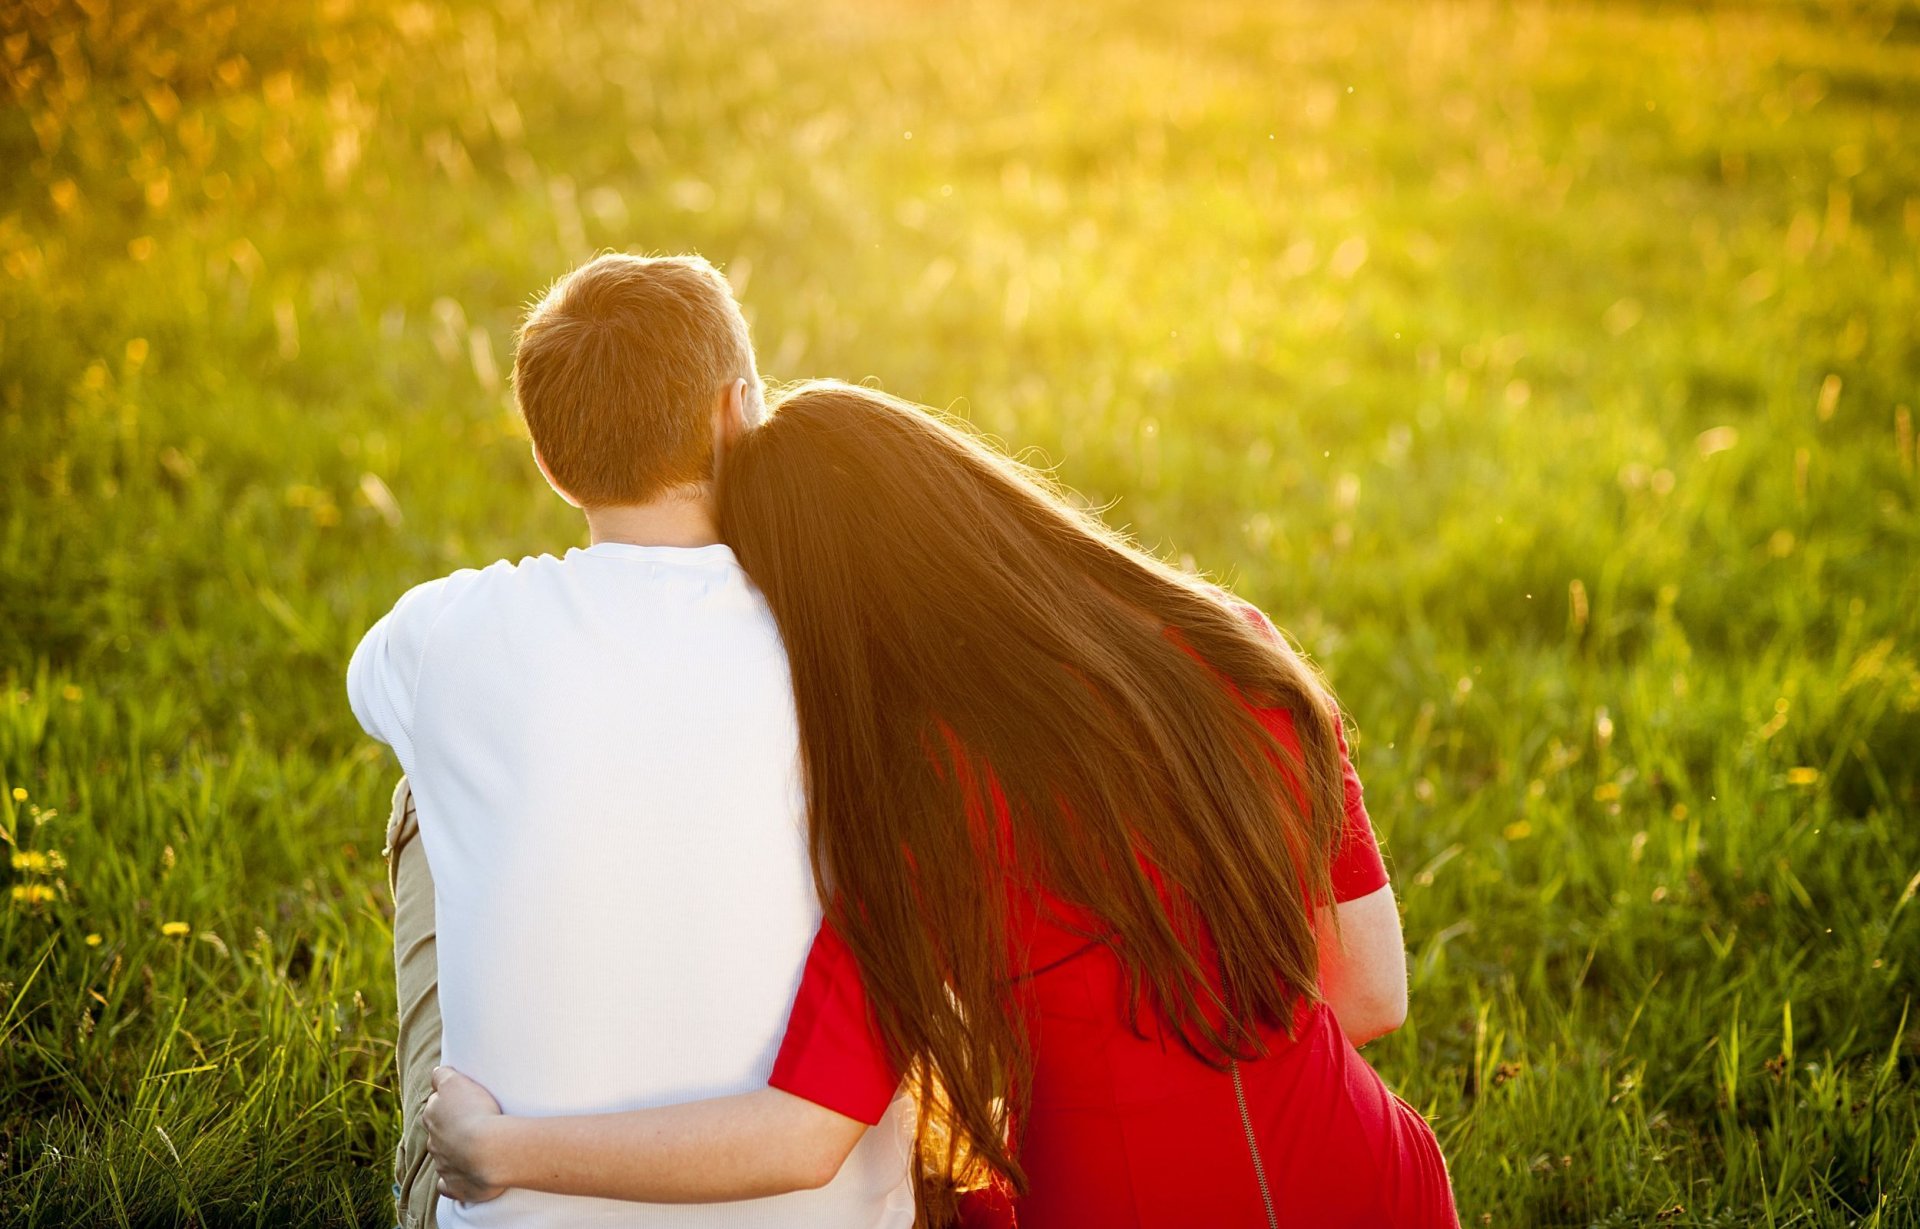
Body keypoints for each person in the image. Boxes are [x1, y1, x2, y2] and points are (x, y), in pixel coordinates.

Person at [422, 381, 1461, 1228]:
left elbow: (799, 1133)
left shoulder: (929, 799)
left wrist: (500, 1147)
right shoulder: (1231, 642)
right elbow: (1371, 990)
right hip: (1380, 1184)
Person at [348, 259, 917, 1229]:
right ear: (739, 413)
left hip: (503, 1182)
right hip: (826, 1195)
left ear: (548, 460)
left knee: (424, 789)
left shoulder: (446, 632)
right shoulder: (841, 641)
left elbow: (372, 687)